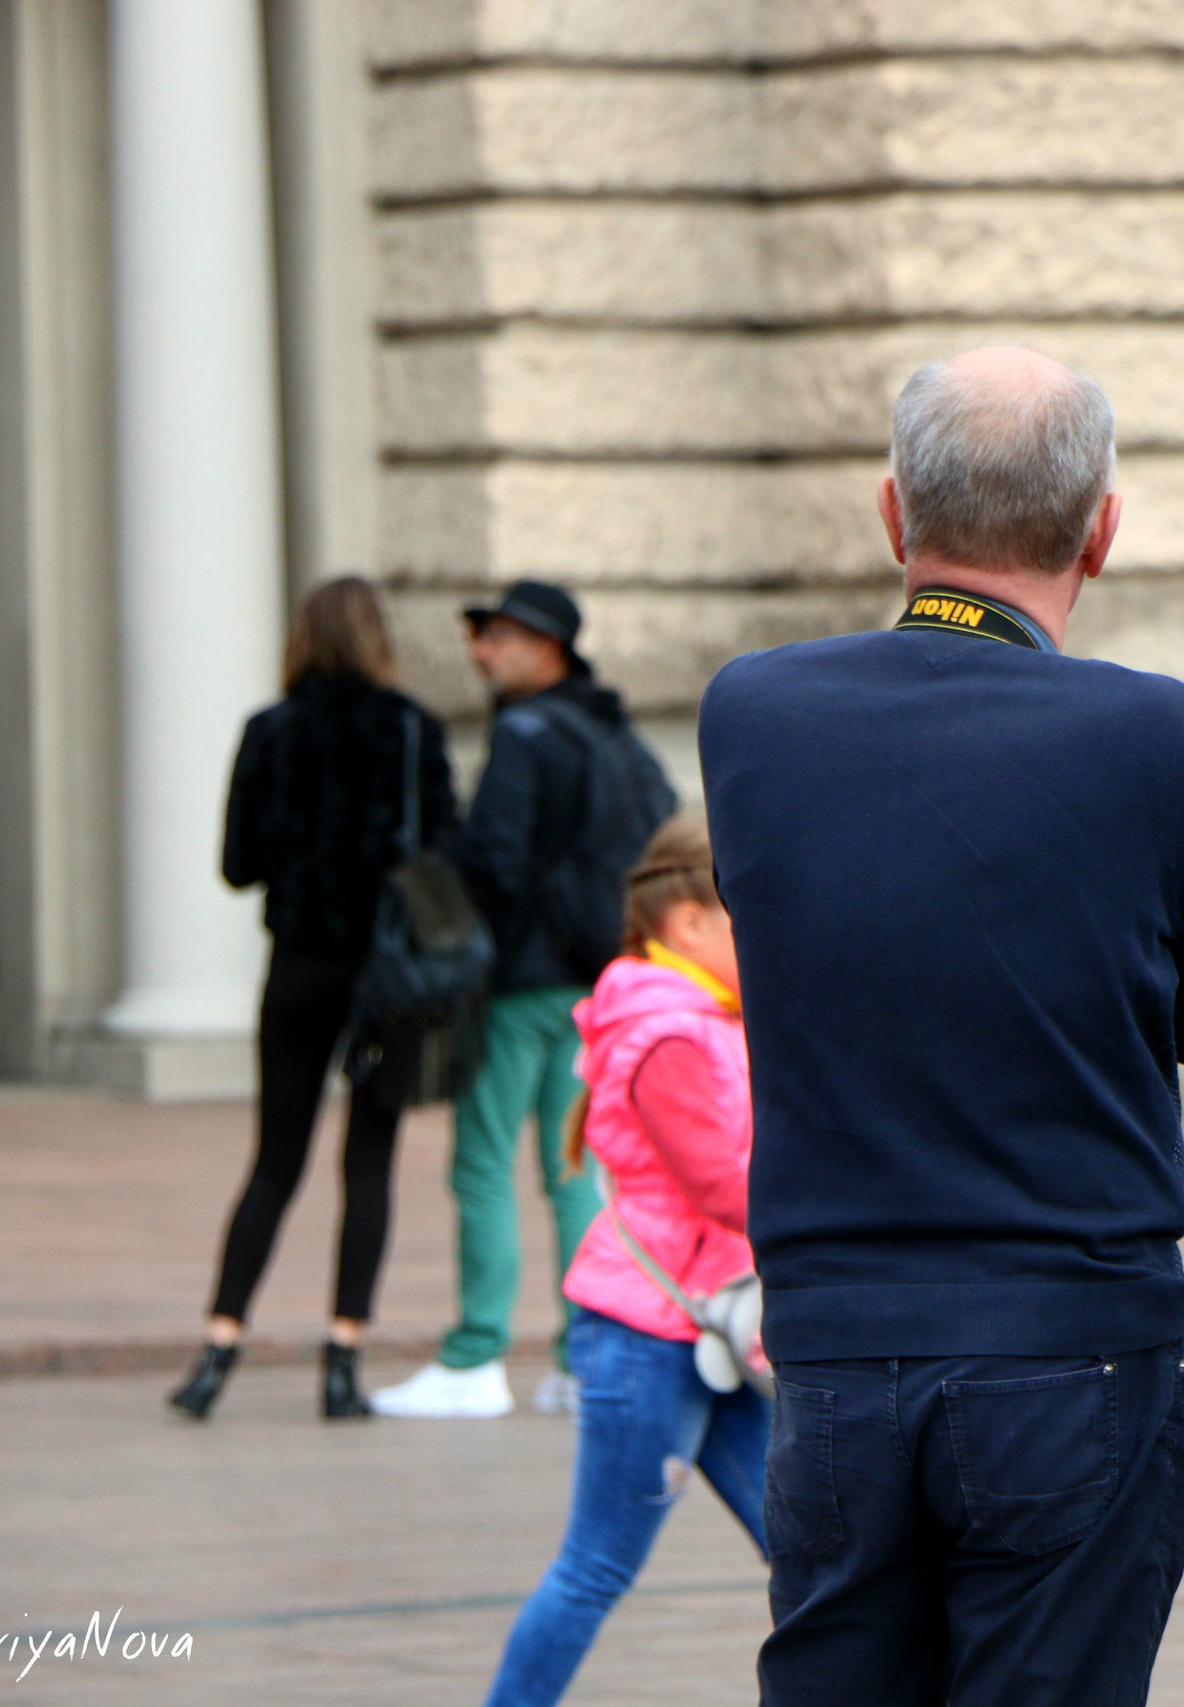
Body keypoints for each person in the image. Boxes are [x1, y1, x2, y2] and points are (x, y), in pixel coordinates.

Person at [698, 346, 1184, 1707]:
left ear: (893, 513)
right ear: (1103, 526)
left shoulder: (753, 710)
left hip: (839, 1339)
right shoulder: (1155, 733)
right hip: (1072, 1335)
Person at [374, 580, 678, 1420]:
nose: (481, 651)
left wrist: (478, 950)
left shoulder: (525, 730)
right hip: (594, 981)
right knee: (571, 1167)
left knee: (479, 1163)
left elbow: (496, 861)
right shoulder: (613, 732)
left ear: (549, 646)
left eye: (499, 636)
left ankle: (475, 1354)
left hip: (520, 987)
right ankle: (582, 1358)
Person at [483, 813, 769, 1706]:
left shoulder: (705, 1013)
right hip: (650, 1333)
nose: (764, 933)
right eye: (744, 914)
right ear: (686, 921)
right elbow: (724, 1185)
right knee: (597, 1565)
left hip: (714, 1322)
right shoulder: (668, 1030)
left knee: (814, 1550)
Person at [171, 576, 456, 1422]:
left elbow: (238, 862)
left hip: (298, 968)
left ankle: (220, 1345)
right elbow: (445, 848)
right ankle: (342, 1356)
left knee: (275, 1159)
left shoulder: (269, 731)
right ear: (378, 640)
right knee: (367, 1162)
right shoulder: (411, 730)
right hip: (389, 976)